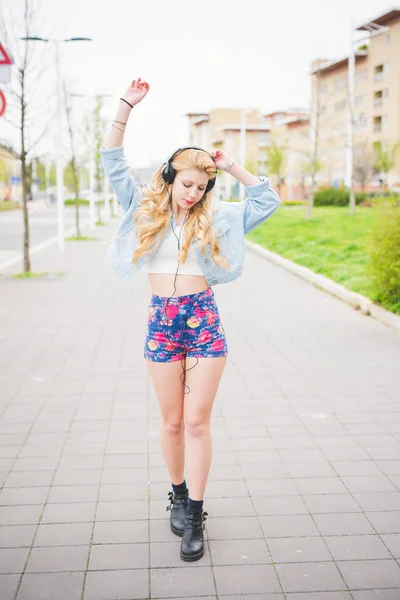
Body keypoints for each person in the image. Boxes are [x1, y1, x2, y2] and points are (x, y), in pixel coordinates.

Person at [101, 77, 281, 562]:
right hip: (162, 319)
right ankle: (177, 493)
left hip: (202, 320)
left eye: (201, 187)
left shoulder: (219, 217)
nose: (193, 193)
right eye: (187, 184)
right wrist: (125, 107)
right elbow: (112, 161)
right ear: (168, 177)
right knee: (172, 422)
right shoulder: (143, 208)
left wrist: (232, 167)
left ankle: (196, 515)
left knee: (198, 423)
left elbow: (267, 201)